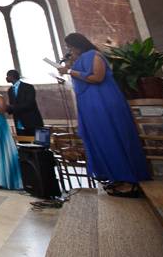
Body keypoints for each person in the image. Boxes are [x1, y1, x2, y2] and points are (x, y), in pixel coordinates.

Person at [57, 33, 149, 197]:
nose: (68, 49)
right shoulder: (80, 59)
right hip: (89, 104)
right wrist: (70, 66)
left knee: (111, 138)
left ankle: (129, 181)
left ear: (78, 44)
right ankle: (115, 176)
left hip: (103, 102)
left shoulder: (94, 55)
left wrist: (71, 71)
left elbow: (97, 77)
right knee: (99, 139)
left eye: (69, 46)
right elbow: (80, 76)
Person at [5, 69, 44, 137]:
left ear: (11, 76)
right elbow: (12, 105)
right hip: (19, 122)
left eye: (7, 76)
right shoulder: (10, 90)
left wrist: (12, 107)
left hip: (32, 121)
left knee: (37, 145)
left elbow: (30, 104)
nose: (6, 78)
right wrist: (5, 108)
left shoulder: (28, 87)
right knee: (23, 145)